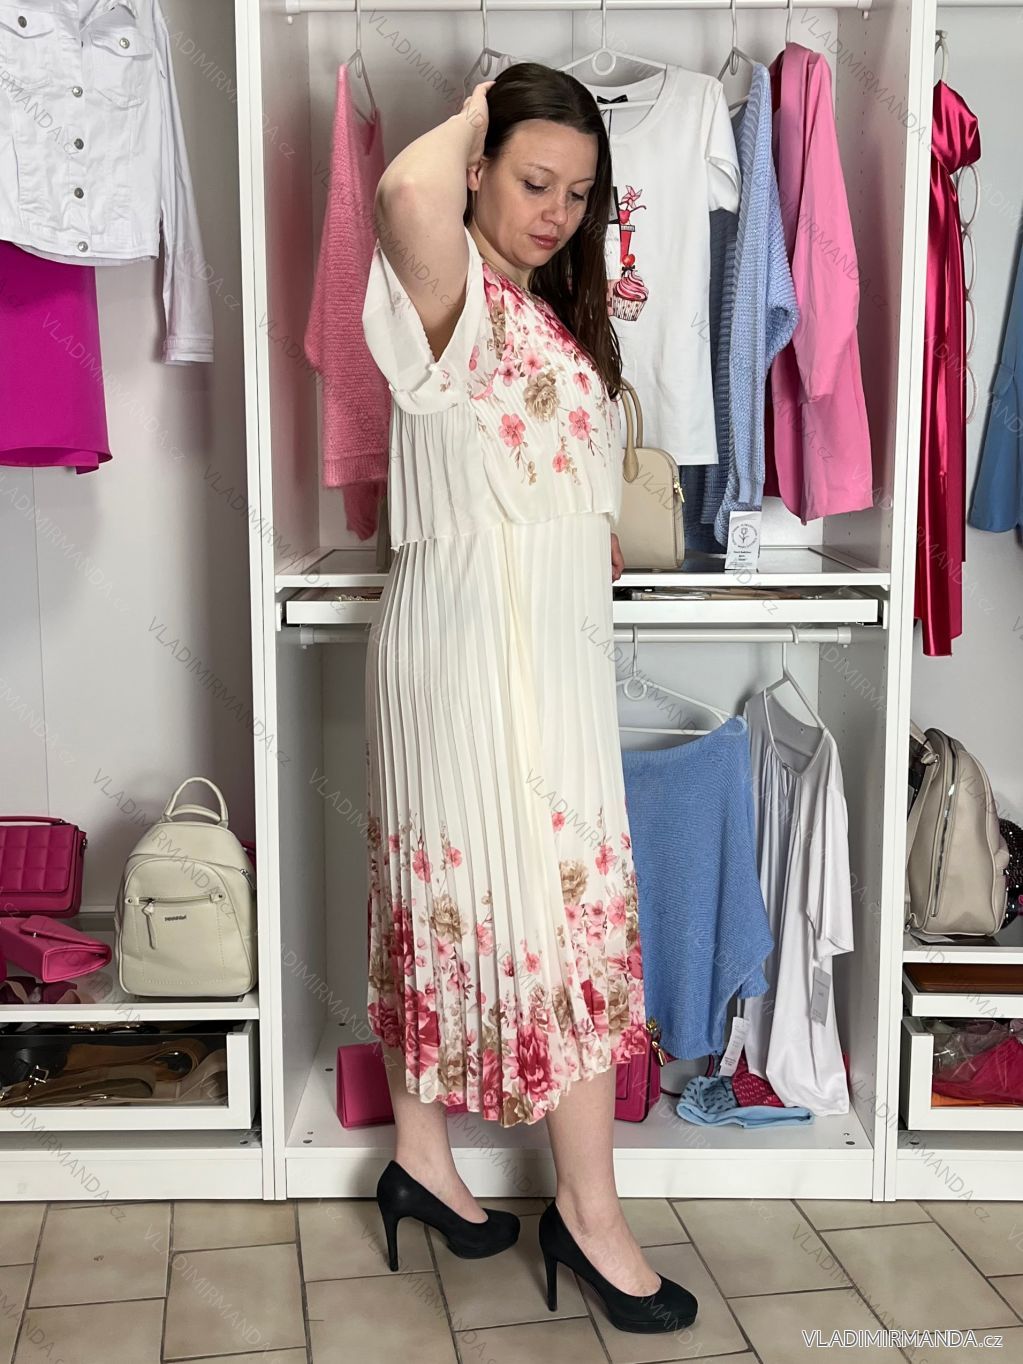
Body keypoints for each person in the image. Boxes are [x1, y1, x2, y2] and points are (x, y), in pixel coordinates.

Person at [361, 62, 697, 1334]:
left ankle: (421, 1157)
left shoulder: (544, 313)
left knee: (495, 900)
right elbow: (404, 190)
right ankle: (591, 1215)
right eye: (532, 179)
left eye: (579, 191)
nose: (557, 210)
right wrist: (472, 107)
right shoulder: (447, 289)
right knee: (534, 913)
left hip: (535, 655)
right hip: (471, 659)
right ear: (480, 171)